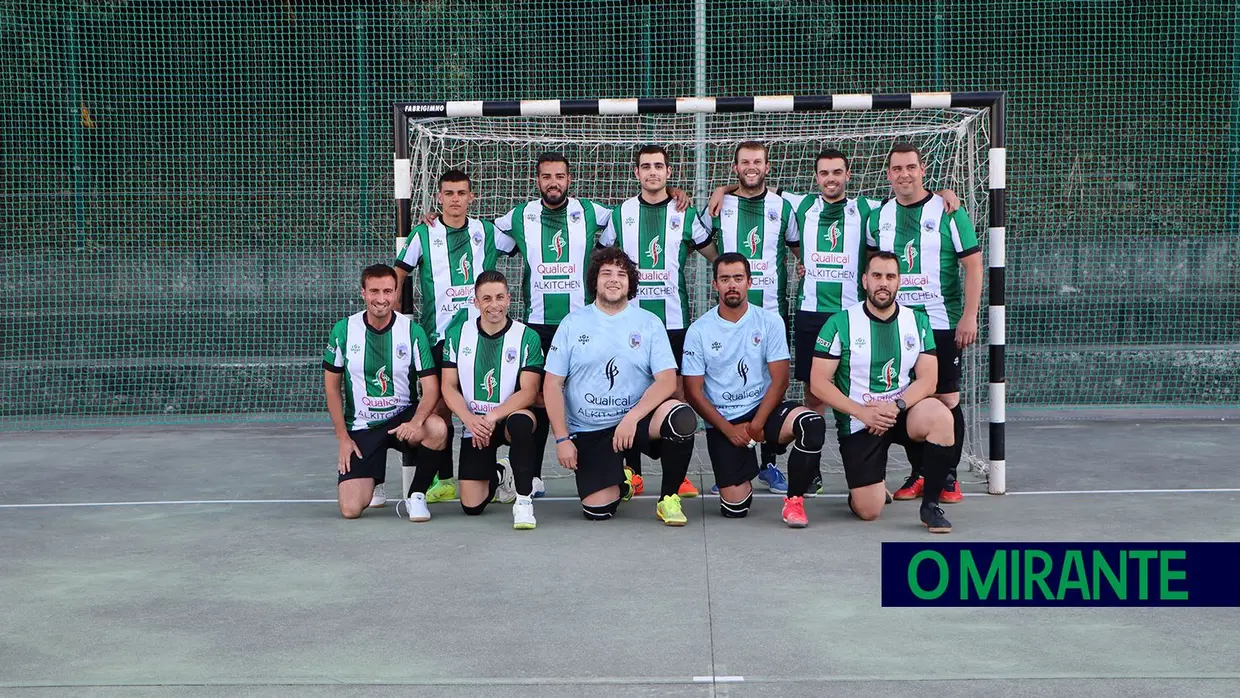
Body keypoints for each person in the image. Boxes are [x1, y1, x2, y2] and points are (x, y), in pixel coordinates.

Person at [543, 246, 699, 526]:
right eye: (606, 273)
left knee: (681, 416)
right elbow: (552, 384)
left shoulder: (649, 322)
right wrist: (562, 438)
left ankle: (668, 498)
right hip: (590, 431)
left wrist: (631, 418)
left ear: (631, 283)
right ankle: (623, 478)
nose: (614, 279)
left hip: (634, 422)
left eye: (621, 274)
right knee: (597, 512)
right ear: (594, 281)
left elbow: (666, 381)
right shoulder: (572, 323)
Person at [598, 144, 718, 498]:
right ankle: (631, 472)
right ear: (636, 174)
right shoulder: (621, 214)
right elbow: (603, 256)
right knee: (628, 390)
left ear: (669, 172)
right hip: (628, 322)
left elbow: (713, 255)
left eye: (659, 167)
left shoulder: (686, 214)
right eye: (646, 167)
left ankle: (676, 476)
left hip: (673, 321)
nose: (652, 172)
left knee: (676, 393)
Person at [806, 252, 956, 533]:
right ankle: (867, 489)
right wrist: (863, 412)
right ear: (864, 281)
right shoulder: (840, 323)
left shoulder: (917, 322)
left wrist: (896, 406)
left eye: (890, 277)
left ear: (899, 282)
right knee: (869, 511)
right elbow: (818, 383)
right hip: (860, 420)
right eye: (876, 276)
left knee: (941, 416)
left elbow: (928, 381)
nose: (883, 283)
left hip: (900, 411)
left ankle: (931, 506)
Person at [867, 142, 982, 504]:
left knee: (945, 397)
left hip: (941, 322)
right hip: (898, 327)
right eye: (897, 168)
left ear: (923, 170)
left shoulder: (948, 211)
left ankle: (947, 478)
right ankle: (921, 474)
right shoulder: (878, 215)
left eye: (911, 167)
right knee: (910, 398)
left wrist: (969, 315)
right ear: (888, 174)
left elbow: (974, 265)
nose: (904, 174)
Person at [682, 253, 827, 523]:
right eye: (725, 279)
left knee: (812, 423)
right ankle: (743, 470)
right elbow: (693, 391)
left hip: (764, 412)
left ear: (749, 282)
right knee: (734, 509)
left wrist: (757, 425)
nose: (732, 285)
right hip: (725, 419)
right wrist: (729, 430)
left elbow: (781, 379)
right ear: (715, 285)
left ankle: (794, 501)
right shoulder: (699, 330)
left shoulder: (770, 322)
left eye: (738, 278)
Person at [394, 169, 500, 507]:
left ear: (472, 197)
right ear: (439, 197)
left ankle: (498, 471)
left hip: (482, 336)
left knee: (487, 401)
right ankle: (445, 479)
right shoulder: (423, 233)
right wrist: (395, 320)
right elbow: (398, 274)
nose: (455, 199)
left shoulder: (487, 231)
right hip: (438, 336)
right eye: (449, 193)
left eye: (461, 193)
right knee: (440, 407)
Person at [699, 141, 799, 496]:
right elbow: (701, 243)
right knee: (731, 383)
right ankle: (733, 462)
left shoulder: (784, 206)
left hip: (769, 315)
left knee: (768, 386)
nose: (751, 167)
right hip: (729, 316)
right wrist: (720, 190)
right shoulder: (720, 205)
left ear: (767, 166)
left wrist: (801, 262)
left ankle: (769, 464)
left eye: (757, 161)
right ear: (735, 167)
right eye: (745, 162)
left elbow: (797, 245)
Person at [323, 264, 450, 522]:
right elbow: (332, 388)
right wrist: (343, 438)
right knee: (350, 509)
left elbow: (431, 389)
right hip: (362, 426)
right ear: (363, 293)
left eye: (387, 291)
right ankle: (374, 477)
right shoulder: (343, 331)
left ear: (396, 294)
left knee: (437, 429)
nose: (381, 299)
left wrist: (415, 422)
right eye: (374, 291)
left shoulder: (412, 331)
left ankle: (417, 496)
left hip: (402, 418)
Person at [438, 270, 545, 529]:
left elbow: (529, 392)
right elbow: (448, 386)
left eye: (499, 297)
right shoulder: (457, 334)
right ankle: (501, 473)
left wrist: (491, 417)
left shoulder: (526, 336)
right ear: (476, 302)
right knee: (471, 506)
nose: (494, 305)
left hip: (508, 417)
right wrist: (470, 420)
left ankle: (523, 501)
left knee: (521, 423)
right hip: (475, 425)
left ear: (509, 299)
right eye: (486, 299)